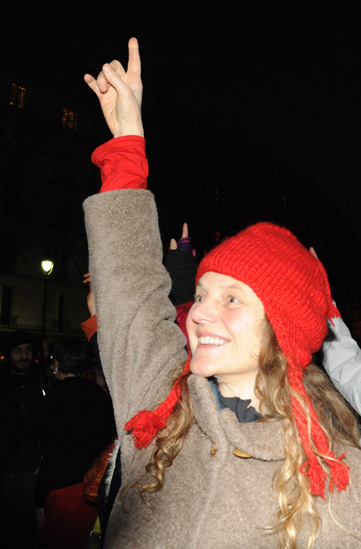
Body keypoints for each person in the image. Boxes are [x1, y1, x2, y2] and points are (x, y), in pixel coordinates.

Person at [83, 38, 361, 548]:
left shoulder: (342, 474)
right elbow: (129, 284)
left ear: (283, 326)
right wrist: (127, 143)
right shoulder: (155, 405)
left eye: (233, 299)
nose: (200, 313)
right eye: (204, 293)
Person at [34, 338, 116, 549]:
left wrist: (39, 497)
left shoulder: (54, 396)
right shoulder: (100, 395)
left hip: (61, 490)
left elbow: (50, 448)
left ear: (56, 363)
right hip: (92, 489)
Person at [0, 330, 46, 548]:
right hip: (4, 466)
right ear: (9, 354)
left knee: (26, 528)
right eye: (18, 351)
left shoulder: (42, 381)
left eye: (27, 350)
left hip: (30, 469)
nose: (24, 355)